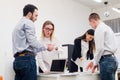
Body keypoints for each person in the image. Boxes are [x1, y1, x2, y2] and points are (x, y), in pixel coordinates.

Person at [12, 4, 54, 80]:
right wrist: (47, 47)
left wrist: (44, 47)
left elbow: (29, 47)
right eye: (36, 15)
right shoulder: (28, 22)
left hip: (17, 61)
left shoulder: (17, 25)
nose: (36, 18)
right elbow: (33, 42)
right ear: (29, 14)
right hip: (27, 61)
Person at [86, 13, 118, 80]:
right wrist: (95, 62)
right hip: (113, 60)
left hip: (106, 61)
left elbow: (100, 49)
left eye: (90, 24)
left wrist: (94, 62)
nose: (91, 27)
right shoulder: (107, 28)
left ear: (93, 21)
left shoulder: (99, 29)